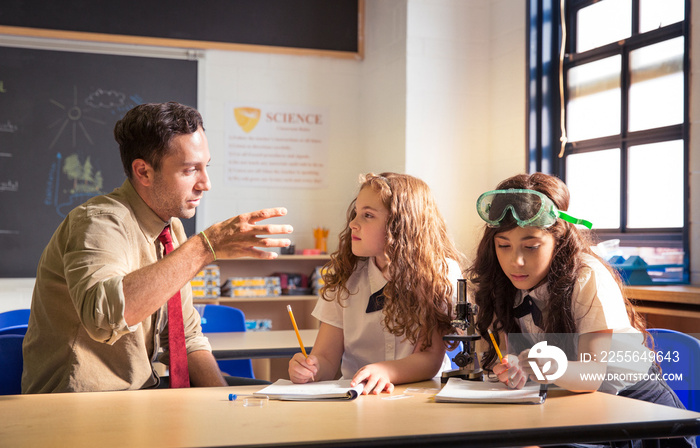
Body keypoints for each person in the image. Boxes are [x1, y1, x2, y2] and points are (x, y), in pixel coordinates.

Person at [22, 102, 293, 393]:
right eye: (190, 170)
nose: (206, 183)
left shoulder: (171, 228)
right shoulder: (98, 223)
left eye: (206, 167)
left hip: (143, 394)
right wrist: (205, 246)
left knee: (270, 400)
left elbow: (186, 338)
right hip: (81, 405)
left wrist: (224, 401)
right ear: (144, 172)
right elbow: (103, 320)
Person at [468, 172, 694, 448]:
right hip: (569, 401)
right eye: (504, 245)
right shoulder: (502, 284)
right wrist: (514, 367)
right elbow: (509, 355)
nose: (516, 260)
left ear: (558, 237)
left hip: (635, 408)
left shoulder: (586, 276)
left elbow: (592, 375)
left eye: (531, 246)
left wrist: (553, 368)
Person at [288, 172, 463, 394]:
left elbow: (429, 359)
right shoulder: (345, 275)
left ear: (401, 224)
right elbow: (326, 358)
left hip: (420, 397)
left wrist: (384, 371)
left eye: (368, 215)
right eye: (356, 213)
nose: (352, 223)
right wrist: (310, 368)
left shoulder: (440, 272)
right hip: (357, 398)